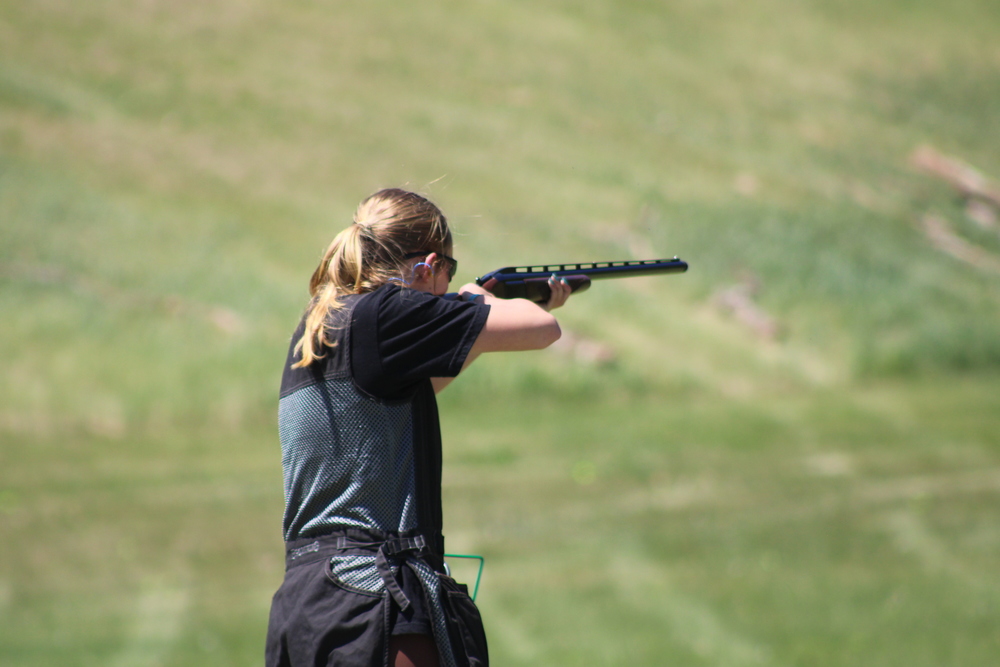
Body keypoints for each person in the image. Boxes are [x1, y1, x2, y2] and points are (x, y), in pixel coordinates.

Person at [266, 188, 571, 667]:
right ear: (429, 265)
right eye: (447, 272)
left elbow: (419, 387)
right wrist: (473, 300)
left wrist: (472, 320)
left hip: (311, 601)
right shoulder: (387, 313)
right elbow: (541, 328)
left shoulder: (323, 325)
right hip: (375, 598)